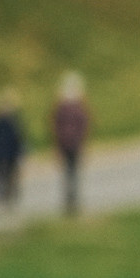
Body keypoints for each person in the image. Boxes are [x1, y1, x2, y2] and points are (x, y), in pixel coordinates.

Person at [51, 71, 92, 217]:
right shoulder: (78, 107)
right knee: (72, 172)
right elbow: (85, 126)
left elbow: (55, 127)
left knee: (69, 173)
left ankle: (71, 200)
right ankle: (72, 200)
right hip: (73, 144)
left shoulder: (61, 107)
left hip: (67, 144)